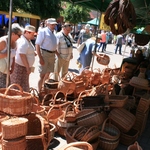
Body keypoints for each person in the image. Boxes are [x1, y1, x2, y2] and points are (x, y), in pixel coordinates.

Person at [10, 25, 36, 92]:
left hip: (23, 67)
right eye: (32, 34)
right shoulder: (23, 41)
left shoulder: (27, 40)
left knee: (23, 85)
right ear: (27, 33)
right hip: (20, 67)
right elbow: (22, 55)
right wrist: (27, 67)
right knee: (17, 85)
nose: (34, 35)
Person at [35, 18, 57, 92]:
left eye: (54, 24)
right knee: (42, 75)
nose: (53, 25)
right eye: (52, 24)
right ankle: (39, 91)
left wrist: (57, 54)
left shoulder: (54, 32)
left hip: (52, 55)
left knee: (48, 73)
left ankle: (44, 89)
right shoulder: (43, 31)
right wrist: (40, 57)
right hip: (45, 54)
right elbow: (37, 45)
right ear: (47, 24)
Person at [0, 23, 23, 88]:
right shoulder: (2, 41)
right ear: (13, 33)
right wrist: (6, 54)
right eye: (19, 35)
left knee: (6, 89)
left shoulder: (15, 43)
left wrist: (13, 67)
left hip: (6, 71)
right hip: (0, 71)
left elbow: (13, 56)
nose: (20, 37)